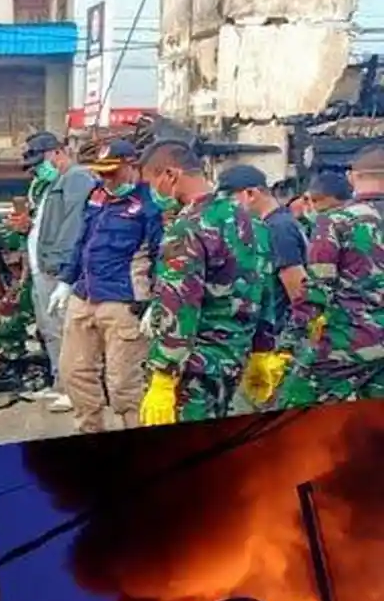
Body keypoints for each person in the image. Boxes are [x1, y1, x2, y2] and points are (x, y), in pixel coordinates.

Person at [136, 143, 277, 425]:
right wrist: (263, 350)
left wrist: (163, 377)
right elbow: (263, 289)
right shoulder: (252, 222)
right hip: (233, 360)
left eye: (152, 184)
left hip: (193, 370)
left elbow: (177, 307)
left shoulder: (188, 228)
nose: (153, 194)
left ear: (170, 175)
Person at [53, 141, 162, 432]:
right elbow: (83, 241)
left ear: (132, 166)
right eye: (102, 173)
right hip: (84, 293)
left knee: (124, 383)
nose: (107, 179)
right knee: (74, 372)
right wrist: (66, 279)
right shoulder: (97, 196)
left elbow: (160, 255)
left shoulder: (150, 204)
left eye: (113, 172)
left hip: (123, 300)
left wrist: (155, 301)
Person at [275, 147, 384, 407]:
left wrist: (287, 346)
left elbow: (315, 291)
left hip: (348, 345)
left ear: (352, 178)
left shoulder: (337, 222)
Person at [221, 165, 307, 407]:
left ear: (251, 194)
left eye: (231, 199)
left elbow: (298, 289)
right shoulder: (272, 225)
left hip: (278, 340)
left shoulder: (277, 229)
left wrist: (288, 347)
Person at [28, 132, 96, 411]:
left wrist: (67, 269)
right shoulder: (52, 183)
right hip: (43, 268)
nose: (35, 168)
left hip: (59, 268)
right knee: (51, 329)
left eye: (39, 160)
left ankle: (75, 390)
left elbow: (74, 226)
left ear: (57, 152)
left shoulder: (77, 178)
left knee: (70, 331)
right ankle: (60, 382)